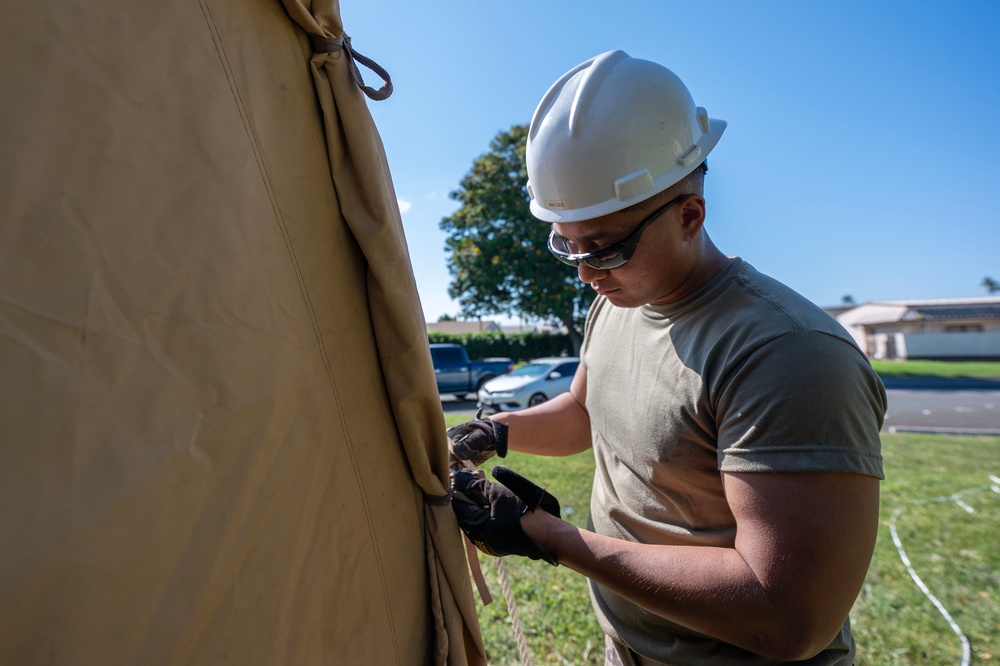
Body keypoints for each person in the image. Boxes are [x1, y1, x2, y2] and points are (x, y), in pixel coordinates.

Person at [448, 49, 886, 666]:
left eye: (603, 248)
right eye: (566, 246)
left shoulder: (787, 354)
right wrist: (494, 430)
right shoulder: (620, 300)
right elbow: (584, 411)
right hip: (628, 647)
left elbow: (788, 618)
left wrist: (545, 535)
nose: (584, 273)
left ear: (689, 215)